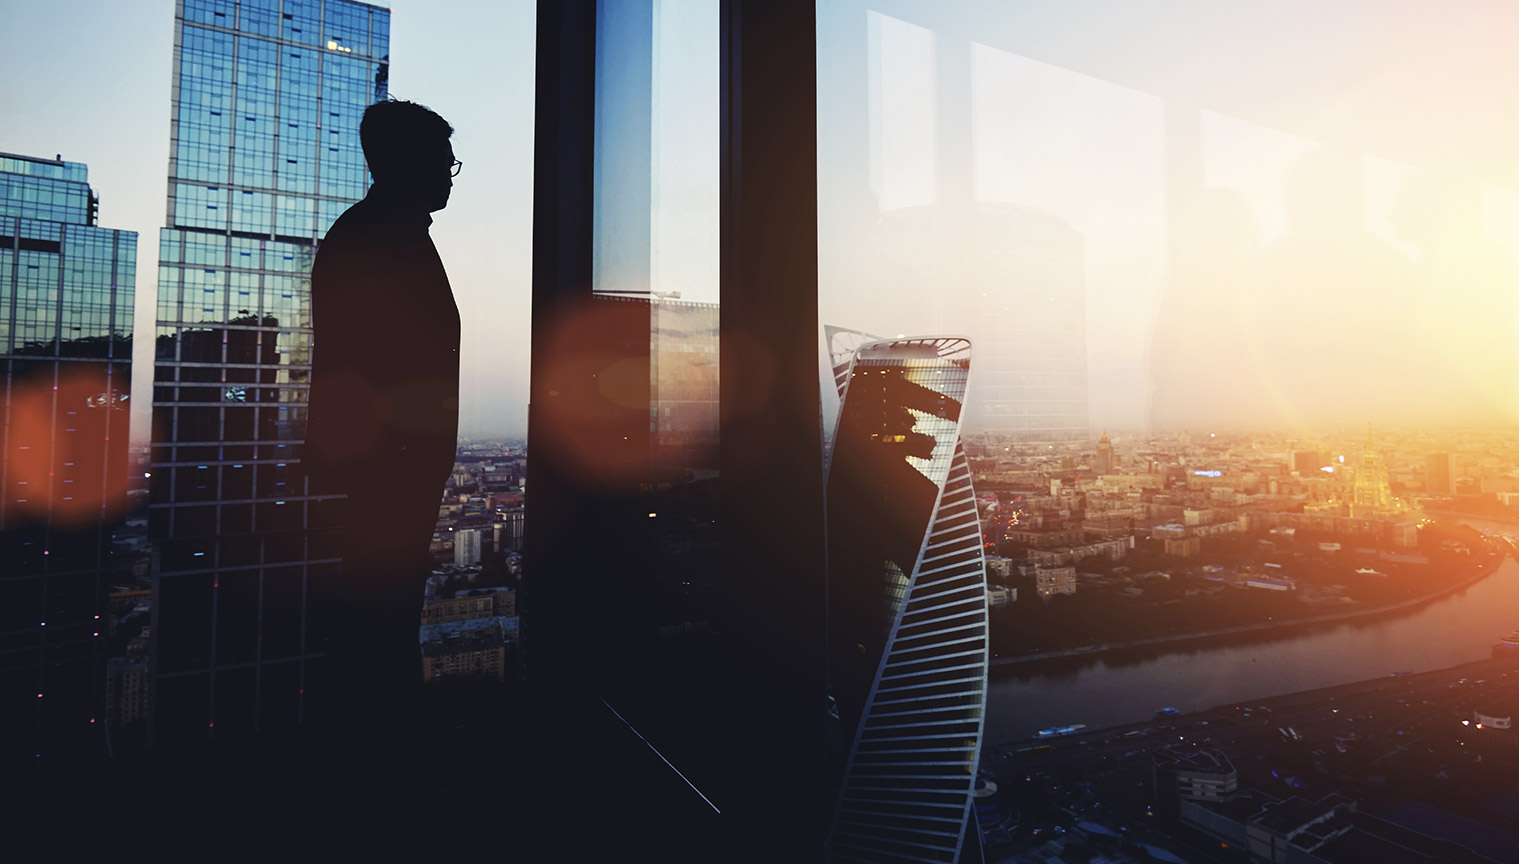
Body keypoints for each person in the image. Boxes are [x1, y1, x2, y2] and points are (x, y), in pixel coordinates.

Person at [302, 99, 460, 739]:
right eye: (443, 160)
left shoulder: (379, 233)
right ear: (407, 164)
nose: (450, 172)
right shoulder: (380, 240)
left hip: (383, 476)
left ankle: (384, 753)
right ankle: (384, 763)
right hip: (381, 481)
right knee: (377, 634)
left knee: (379, 630)